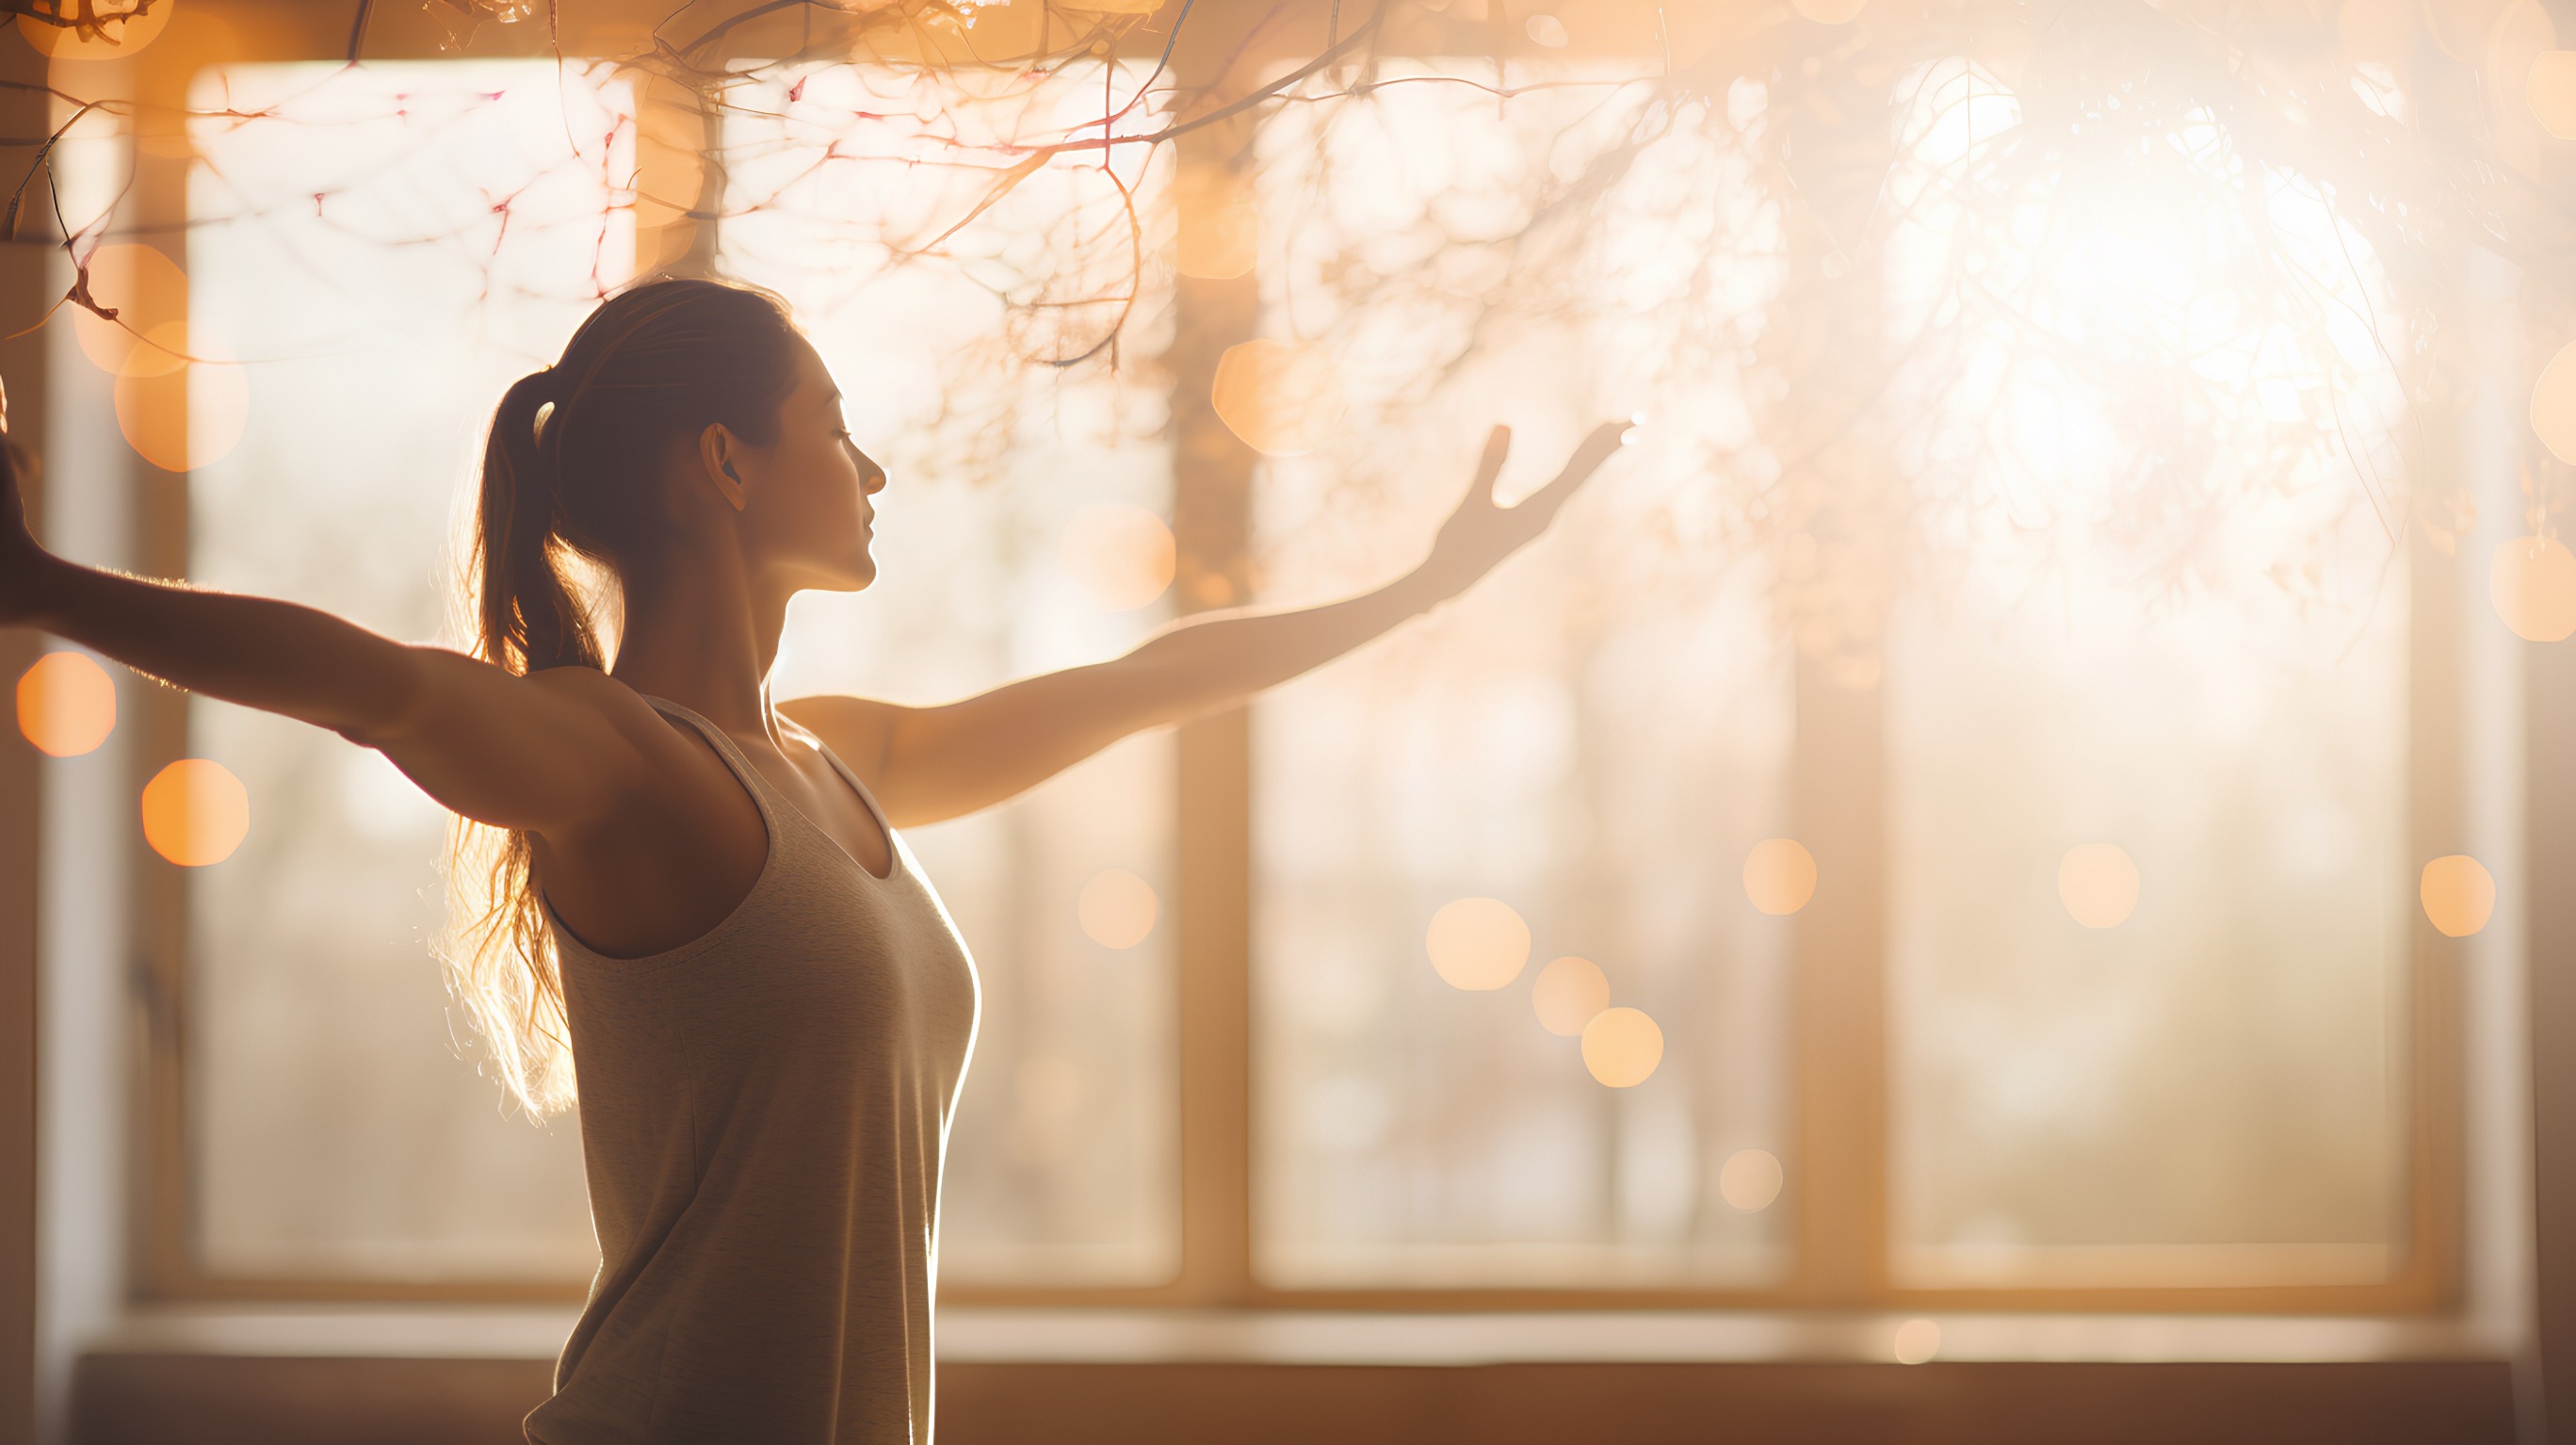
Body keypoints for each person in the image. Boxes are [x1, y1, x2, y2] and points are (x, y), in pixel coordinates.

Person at [0, 277, 1625, 1442]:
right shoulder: (617, 756)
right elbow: (383, 687)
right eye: (836, 429)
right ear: (724, 462)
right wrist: (50, 591)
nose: (877, 469)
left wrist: (1417, 592)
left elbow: (1144, 683)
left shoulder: (836, 760)